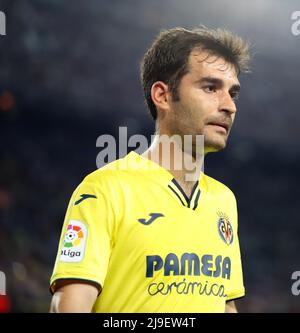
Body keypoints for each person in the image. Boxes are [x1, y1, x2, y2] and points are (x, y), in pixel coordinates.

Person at [49, 26, 250, 313]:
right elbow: (68, 308)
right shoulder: (105, 189)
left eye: (233, 93)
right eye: (210, 88)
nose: (229, 106)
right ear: (162, 95)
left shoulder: (224, 201)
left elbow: (225, 305)